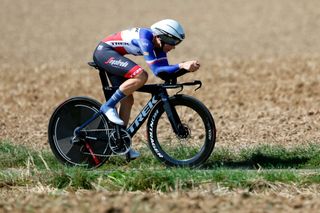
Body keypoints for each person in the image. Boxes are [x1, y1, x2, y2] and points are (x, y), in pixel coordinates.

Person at [92, 19, 200, 159]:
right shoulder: (146, 39)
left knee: (128, 100)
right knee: (141, 76)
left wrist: (186, 69)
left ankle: (121, 143)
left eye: (177, 43)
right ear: (162, 37)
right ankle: (108, 106)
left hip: (114, 55)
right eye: (173, 42)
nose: (174, 47)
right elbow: (156, 70)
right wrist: (181, 65)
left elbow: (163, 73)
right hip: (105, 52)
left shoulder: (159, 46)